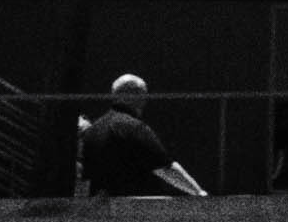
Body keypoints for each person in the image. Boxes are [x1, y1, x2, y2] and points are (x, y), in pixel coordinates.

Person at [78, 74, 207, 199]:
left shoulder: (93, 130)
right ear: (136, 96)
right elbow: (165, 167)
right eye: (143, 94)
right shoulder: (134, 127)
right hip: (135, 210)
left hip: (100, 211)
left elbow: (86, 180)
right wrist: (198, 192)